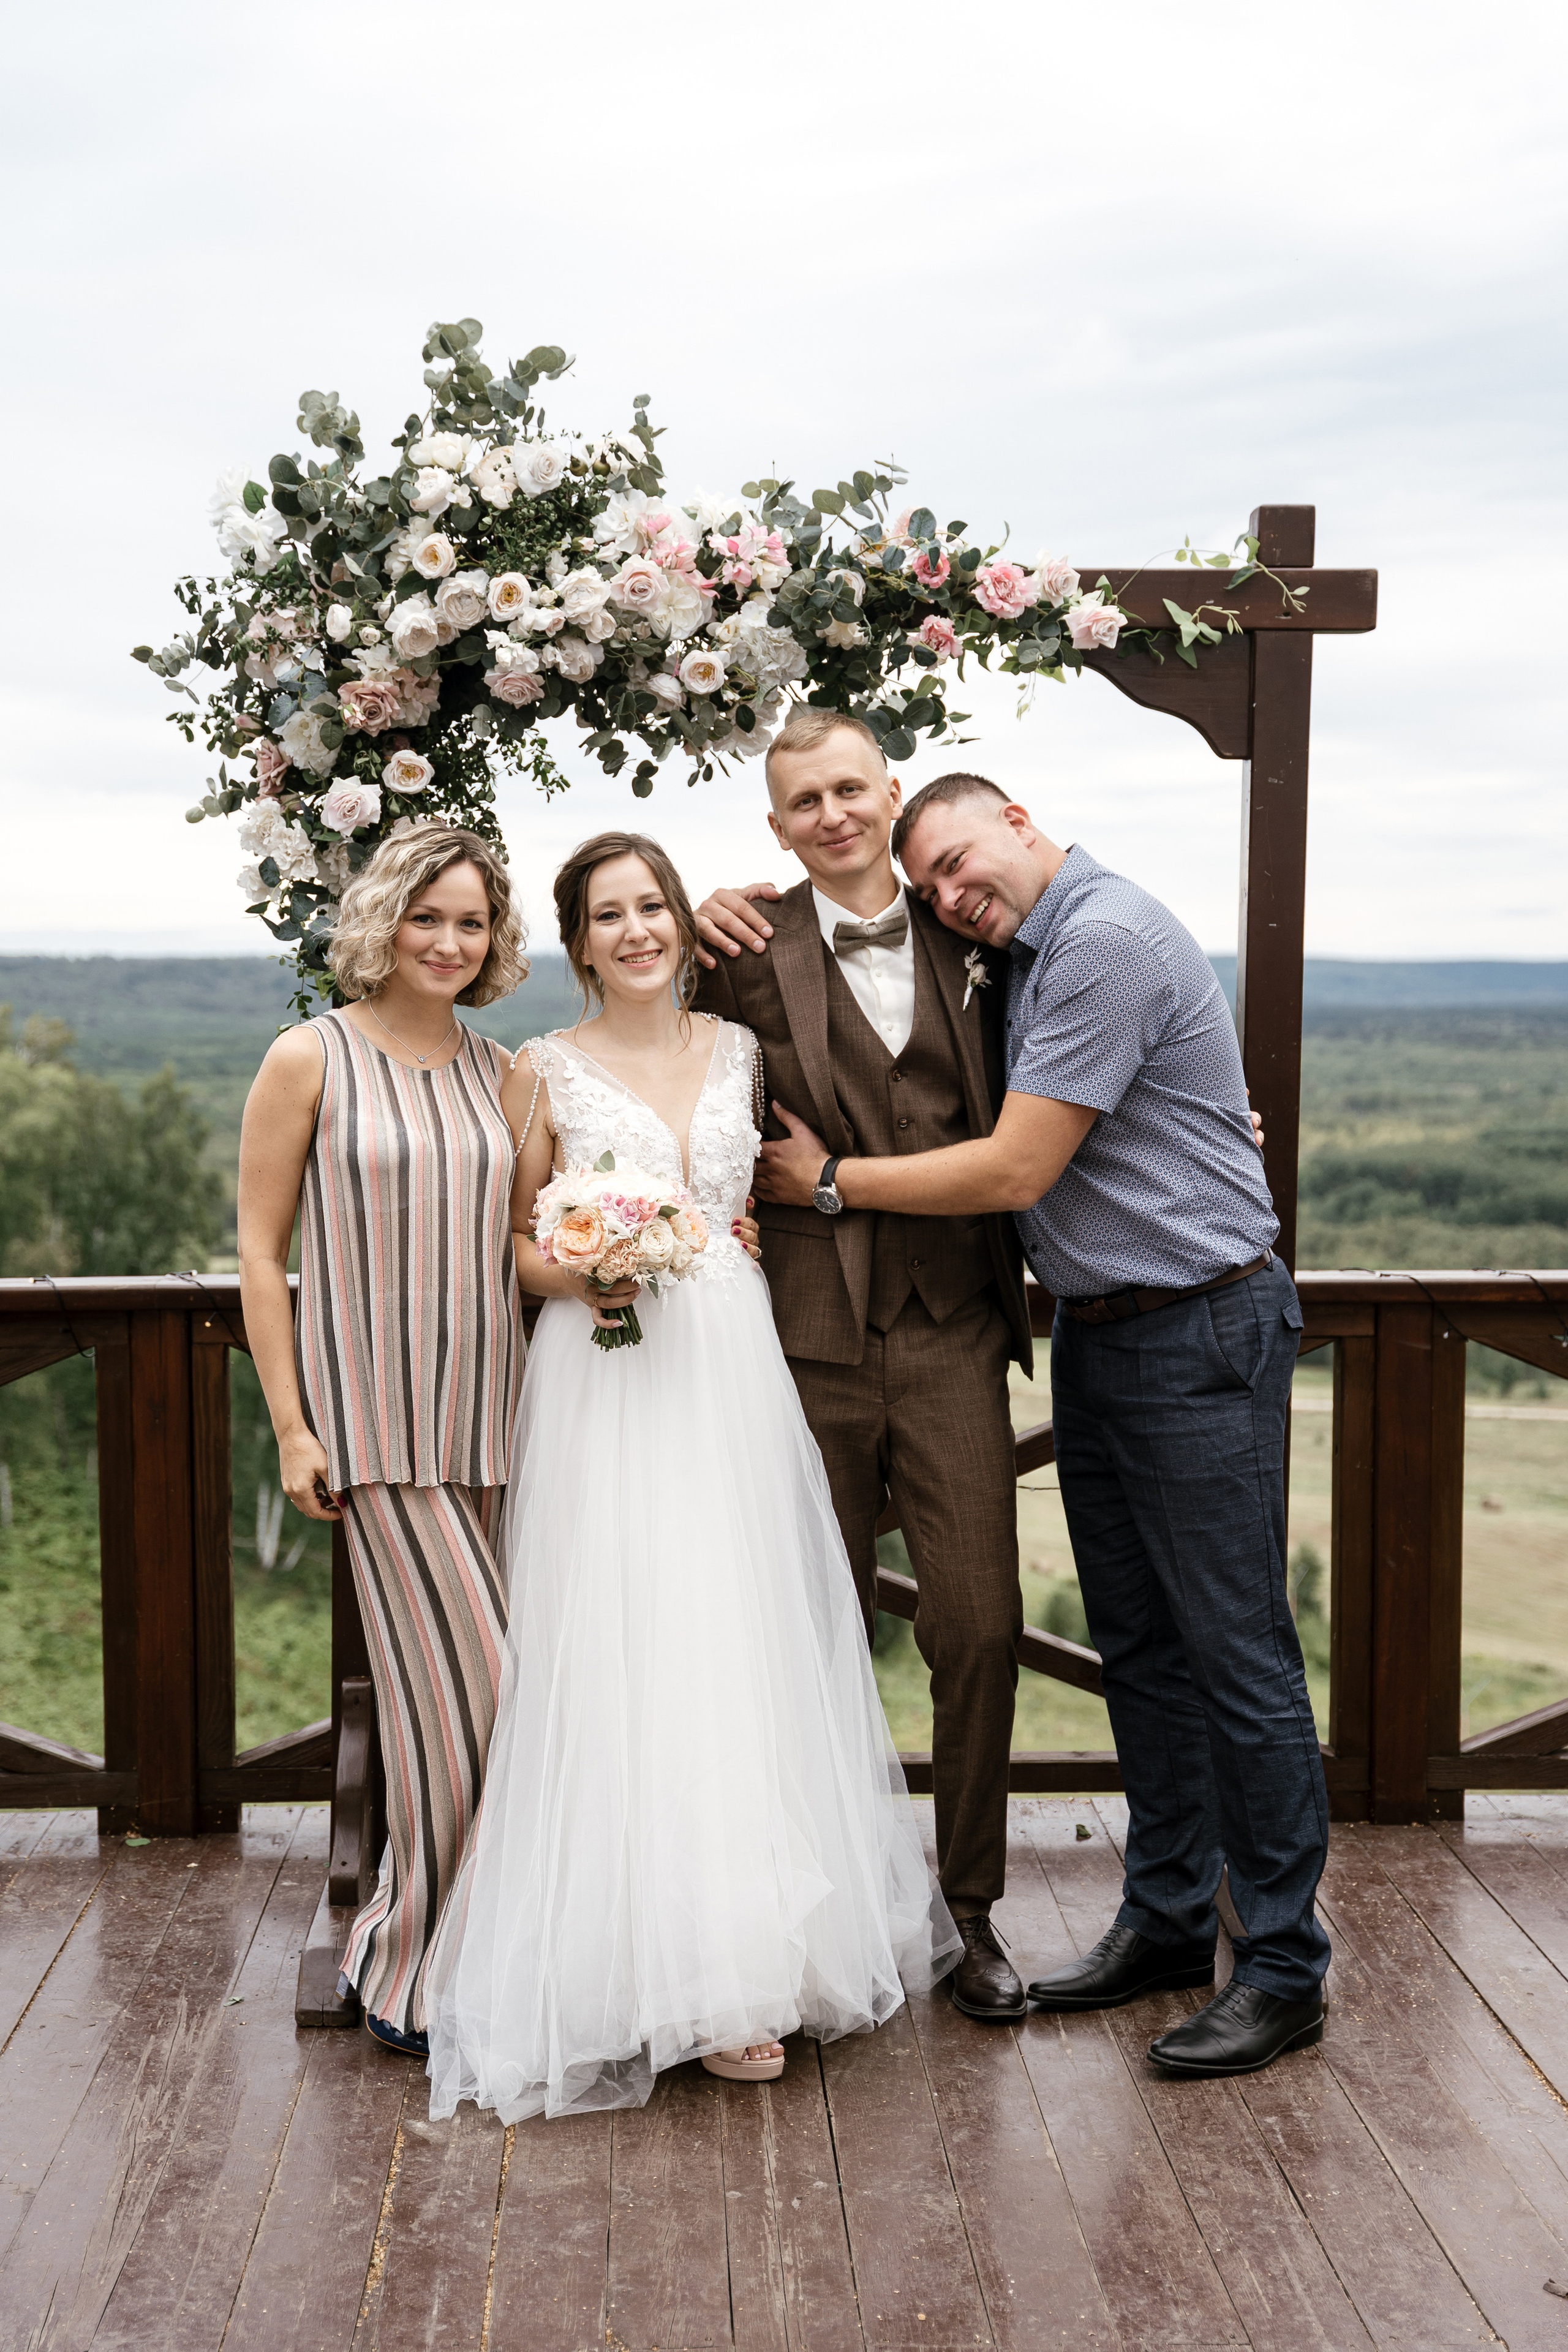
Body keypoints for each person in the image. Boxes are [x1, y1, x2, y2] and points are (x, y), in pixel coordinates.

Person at [753, 772, 1331, 2082]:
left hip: (1197, 1324)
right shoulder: (1014, 949)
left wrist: (830, 1183)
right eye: (936, 888)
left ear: (1019, 819)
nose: (959, 897)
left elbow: (1014, 1166)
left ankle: (1285, 1963)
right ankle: (1170, 1922)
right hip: (1097, 1333)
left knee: (1235, 1651)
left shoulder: (1105, 939)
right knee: (1138, 1648)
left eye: (964, 861)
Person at [422, 829, 958, 2122]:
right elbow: (512, 1241)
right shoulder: (536, 1073)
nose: (636, 931)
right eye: (606, 914)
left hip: (731, 1364)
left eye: (652, 904)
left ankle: (747, 1958)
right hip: (605, 1371)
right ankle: (633, 1964)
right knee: (618, 1643)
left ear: (676, 917)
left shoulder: (743, 1049)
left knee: (736, 1640)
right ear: (576, 940)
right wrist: (592, 1265)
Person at [691, 709, 1034, 2023]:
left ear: (887, 794)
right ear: (773, 827)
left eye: (849, 789)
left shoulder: (973, 925)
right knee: (802, 1634)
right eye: (801, 802)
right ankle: (805, 1912)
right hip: (801, 1341)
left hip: (950, 1328)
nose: (830, 815)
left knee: (978, 1625)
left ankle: (969, 1909)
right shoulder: (742, 946)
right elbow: (636, 1049)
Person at [237, 824, 532, 2056]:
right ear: (383, 920)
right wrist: (293, 1426)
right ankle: (405, 1964)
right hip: (379, 1435)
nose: (447, 943)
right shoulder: (309, 1056)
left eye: (470, 923)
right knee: (479, 1701)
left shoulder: (507, 1073)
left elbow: (533, 1244)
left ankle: (480, 1956)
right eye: (427, 918)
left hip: (505, 1430)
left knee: (471, 1714)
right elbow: (260, 1252)